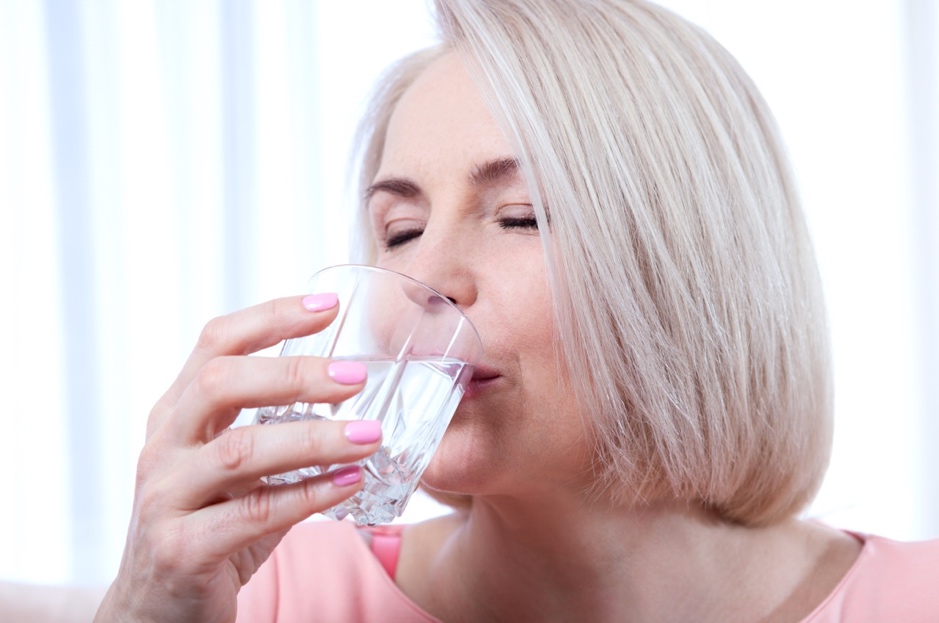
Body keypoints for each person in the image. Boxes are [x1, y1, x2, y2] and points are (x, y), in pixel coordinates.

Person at [91, 0, 939, 621]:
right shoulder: (264, 593)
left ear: (695, 268)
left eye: (521, 214)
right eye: (401, 228)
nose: (424, 274)